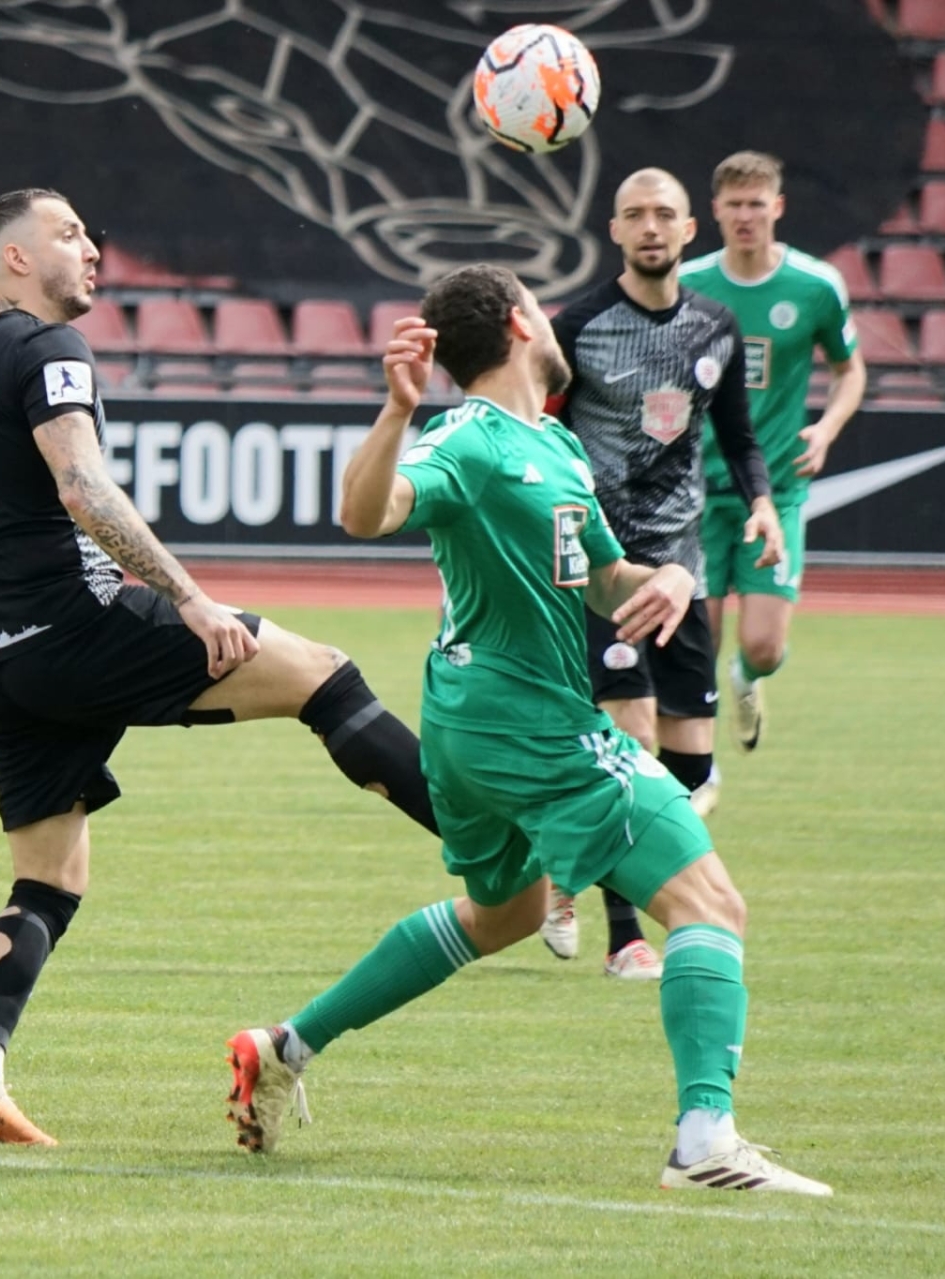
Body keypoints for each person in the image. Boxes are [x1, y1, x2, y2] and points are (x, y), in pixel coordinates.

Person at [0, 188, 440, 1146]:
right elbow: (83, 486)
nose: (93, 249)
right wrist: (190, 595)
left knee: (48, 883)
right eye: (68, 235)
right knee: (325, 675)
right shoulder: (47, 349)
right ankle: (499, 849)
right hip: (77, 624)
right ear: (12, 260)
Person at [222, 263, 831, 1196]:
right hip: (528, 723)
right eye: (544, 307)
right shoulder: (468, 437)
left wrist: (661, 578)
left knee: (502, 913)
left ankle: (286, 1046)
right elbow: (365, 513)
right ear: (519, 322)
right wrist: (396, 413)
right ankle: (705, 1138)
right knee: (712, 905)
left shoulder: (552, 443)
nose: (557, 321)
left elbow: (597, 578)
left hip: (474, 720)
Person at [537, 167, 784, 978]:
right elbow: (538, 430)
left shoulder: (717, 327)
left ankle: (569, 854)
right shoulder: (577, 327)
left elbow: (740, 438)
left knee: (688, 763)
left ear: (689, 232)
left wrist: (762, 504)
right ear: (614, 230)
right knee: (631, 736)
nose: (650, 227)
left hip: (684, 569)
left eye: (664, 215)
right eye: (634, 214)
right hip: (602, 567)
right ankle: (628, 937)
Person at [680, 151, 866, 754]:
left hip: (775, 488)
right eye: (733, 204)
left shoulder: (814, 287)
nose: (744, 216)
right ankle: (699, 768)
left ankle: (747, 680)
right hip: (696, 492)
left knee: (763, 646)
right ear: (714, 211)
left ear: (777, 208)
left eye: (756, 204)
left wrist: (828, 427)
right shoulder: (690, 285)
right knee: (692, 639)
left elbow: (849, 370)